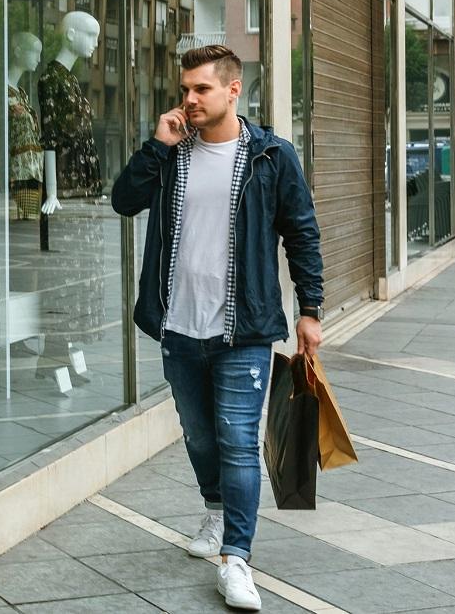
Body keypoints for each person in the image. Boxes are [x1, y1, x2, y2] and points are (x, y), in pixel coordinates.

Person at [111, 45, 324, 611]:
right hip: (178, 328)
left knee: (236, 443)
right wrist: (156, 146)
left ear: (234, 90)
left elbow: (302, 233)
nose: (189, 99)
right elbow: (122, 201)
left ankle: (237, 558)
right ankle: (215, 510)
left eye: (201, 89)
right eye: (185, 89)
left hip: (243, 330)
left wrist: (310, 309)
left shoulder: (273, 156)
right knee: (200, 438)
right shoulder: (172, 155)